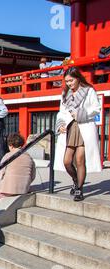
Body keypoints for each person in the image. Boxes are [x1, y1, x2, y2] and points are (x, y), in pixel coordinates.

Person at [54, 67, 102, 201]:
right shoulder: (65, 93)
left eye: (71, 80)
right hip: (70, 127)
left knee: (80, 159)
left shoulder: (89, 90)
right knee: (67, 161)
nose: (69, 84)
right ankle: (75, 181)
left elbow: (96, 108)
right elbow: (61, 112)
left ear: (78, 78)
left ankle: (79, 189)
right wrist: (60, 124)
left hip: (84, 126)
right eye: (67, 81)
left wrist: (81, 114)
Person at [0, 133, 36, 199]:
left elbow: (0, 174)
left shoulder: (7, 156)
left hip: (7, 190)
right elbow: (33, 176)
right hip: (24, 189)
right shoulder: (29, 157)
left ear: (11, 146)